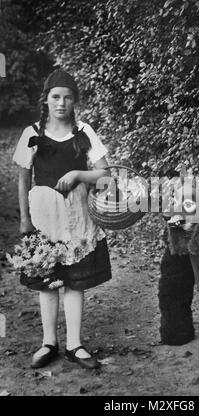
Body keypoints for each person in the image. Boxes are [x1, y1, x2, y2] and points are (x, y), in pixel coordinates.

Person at [12, 69, 112, 370]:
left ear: (75, 101)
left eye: (68, 98)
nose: (61, 103)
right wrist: (25, 220)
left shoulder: (83, 132)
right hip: (44, 218)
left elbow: (106, 175)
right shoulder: (33, 133)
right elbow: (23, 178)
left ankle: (75, 344)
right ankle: (48, 342)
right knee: (47, 281)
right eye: (55, 97)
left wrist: (79, 174)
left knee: (74, 281)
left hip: (77, 219)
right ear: (46, 100)